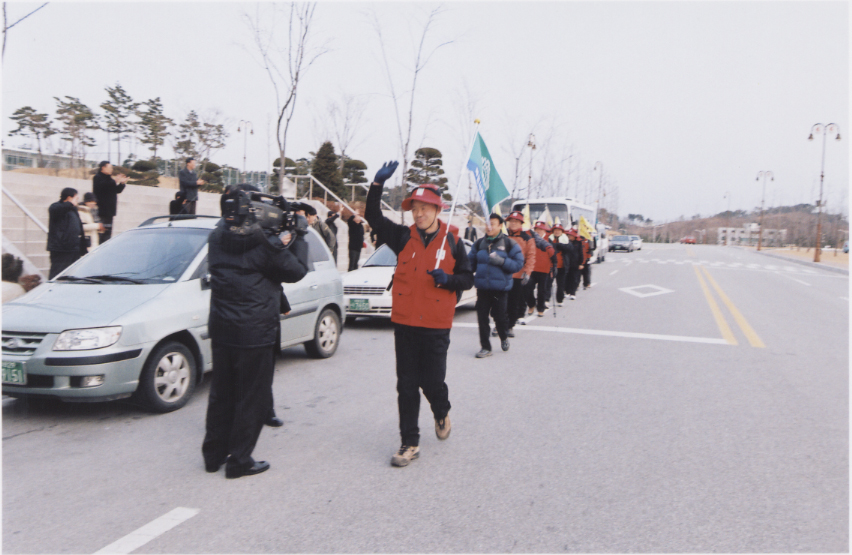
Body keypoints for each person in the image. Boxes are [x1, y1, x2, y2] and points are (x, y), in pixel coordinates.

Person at [365, 161, 474, 468]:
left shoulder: (452, 241)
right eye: (415, 208)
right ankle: (409, 442)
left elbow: (467, 279)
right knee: (406, 384)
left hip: (436, 326)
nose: (419, 213)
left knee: (432, 382)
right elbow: (373, 216)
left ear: (437, 210)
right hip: (405, 323)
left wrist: (448, 280)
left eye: (425, 208)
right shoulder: (402, 237)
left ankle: (441, 410)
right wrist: (376, 185)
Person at [202, 188, 309, 479]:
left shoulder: (216, 237)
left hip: (222, 328)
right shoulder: (263, 244)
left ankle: (213, 456)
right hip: (254, 332)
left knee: (221, 394)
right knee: (251, 398)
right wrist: (299, 234)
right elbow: (297, 271)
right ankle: (239, 460)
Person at [468, 213, 524, 358]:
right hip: (482, 289)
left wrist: (502, 262)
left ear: (500, 225)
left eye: (492, 223)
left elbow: (518, 264)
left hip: (500, 290)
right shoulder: (479, 243)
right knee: (482, 318)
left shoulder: (509, 243)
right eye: (487, 223)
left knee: (500, 317)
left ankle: (504, 336)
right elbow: (470, 264)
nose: (489, 227)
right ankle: (485, 347)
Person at [504, 211, 535, 333]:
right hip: (503, 274)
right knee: (500, 302)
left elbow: (531, 256)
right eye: (511, 221)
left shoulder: (527, 238)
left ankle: (510, 326)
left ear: (521, 223)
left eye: (516, 221)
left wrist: (527, 272)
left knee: (513, 302)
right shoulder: (502, 235)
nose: (513, 223)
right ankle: (500, 324)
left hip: (518, 275)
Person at [47, 188, 87, 280]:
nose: (77, 201)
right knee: (58, 275)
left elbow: (79, 228)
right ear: (69, 198)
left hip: (74, 248)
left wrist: (83, 247)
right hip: (61, 248)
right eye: (76, 198)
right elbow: (55, 210)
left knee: (73, 275)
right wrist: (70, 203)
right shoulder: (56, 206)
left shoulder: (73, 210)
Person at [92, 161, 128, 244]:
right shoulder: (97, 177)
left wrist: (122, 183)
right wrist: (115, 181)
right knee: (101, 234)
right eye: (110, 167)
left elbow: (116, 190)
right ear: (103, 168)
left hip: (109, 212)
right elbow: (102, 186)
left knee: (107, 234)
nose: (112, 169)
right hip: (101, 211)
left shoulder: (110, 179)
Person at [527, 221, 556, 317]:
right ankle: (531, 304)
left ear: (544, 230)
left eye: (540, 229)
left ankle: (540, 309)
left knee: (542, 291)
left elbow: (553, 255)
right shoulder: (531, 239)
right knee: (528, 288)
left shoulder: (549, 240)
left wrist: (553, 269)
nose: (538, 231)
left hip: (544, 270)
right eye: (536, 229)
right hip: (532, 268)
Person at [549, 223, 570, 306]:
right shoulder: (549, 239)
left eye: (559, 230)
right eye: (555, 230)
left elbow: (569, 249)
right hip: (551, 266)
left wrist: (559, 245)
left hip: (562, 266)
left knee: (560, 285)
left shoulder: (566, 240)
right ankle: (546, 299)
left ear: (562, 232)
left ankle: (560, 300)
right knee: (548, 284)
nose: (557, 232)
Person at [565, 229, 583, 300]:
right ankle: (567, 291)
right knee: (566, 278)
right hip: (567, 263)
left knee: (574, 279)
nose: (569, 237)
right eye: (568, 235)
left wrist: (581, 263)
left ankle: (573, 293)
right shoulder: (566, 242)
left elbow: (581, 253)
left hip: (575, 263)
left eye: (571, 235)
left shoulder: (578, 243)